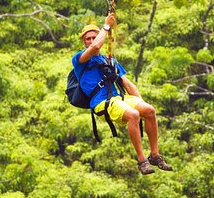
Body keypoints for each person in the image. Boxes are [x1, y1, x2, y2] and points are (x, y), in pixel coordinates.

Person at [73, 13, 173, 175]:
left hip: (118, 98)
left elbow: (127, 84)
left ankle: (155, 155)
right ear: (83, 42)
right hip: (101, 102)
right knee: (133, 115)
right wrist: (106, 26)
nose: (91, 41)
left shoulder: (110, 61)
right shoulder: (79, 59)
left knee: (149, 110)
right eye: (88, 39)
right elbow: (95, 48)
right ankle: (142, 161)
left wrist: (141, 104)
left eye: (94, 37)